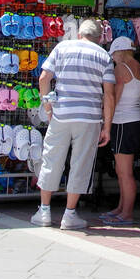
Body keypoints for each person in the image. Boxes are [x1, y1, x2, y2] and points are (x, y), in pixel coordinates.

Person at [32, 18, 116, 230]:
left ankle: (44, 211)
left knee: (52, 159)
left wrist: (47, 106)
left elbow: (44, 78)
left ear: (79, 34)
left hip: (62, 113)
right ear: (99, 38)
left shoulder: (62, 47)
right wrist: (107, 127)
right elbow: (109, 95)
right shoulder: (104, 56)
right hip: (89, 117)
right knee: (81, 163)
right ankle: (69, 215)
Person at [100, 36, 140, 225]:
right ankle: (121, 208)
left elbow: (114, 98)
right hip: (137, 119)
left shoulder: (121, 69)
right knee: (123, 171)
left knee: (124, 172)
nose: (113, 59)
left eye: (113, 54)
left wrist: (106, 124)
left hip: (124, 122)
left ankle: (126, 213)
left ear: (119, 52)